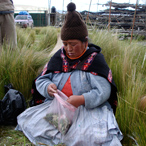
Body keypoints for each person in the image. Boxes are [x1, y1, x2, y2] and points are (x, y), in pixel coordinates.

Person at [16, 2, 123, 146]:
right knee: (30, 122)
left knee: (94, 135)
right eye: (65, 44)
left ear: (85, 42)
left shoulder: (95, 60)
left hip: (87, 110)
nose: (68, 49)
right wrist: (48, 87)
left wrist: (82, 99)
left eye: (73, 44)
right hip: (59, 108)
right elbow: (42, 80)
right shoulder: (59, 58)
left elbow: (103, 91)